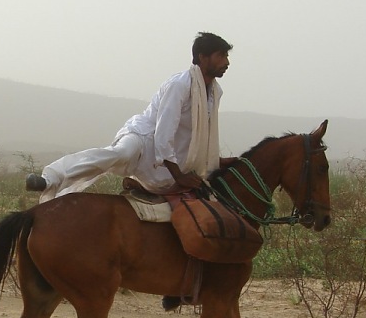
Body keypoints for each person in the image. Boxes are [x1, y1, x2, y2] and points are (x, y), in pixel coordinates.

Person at [26, 31, 233, 201]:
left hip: (171, 156)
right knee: (120, 154)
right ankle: (51, 178)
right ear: (202, 58)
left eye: (226, 56)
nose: (227, 62)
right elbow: (163, 133)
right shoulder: (180, 85)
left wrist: (217, 160)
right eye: (221, 56)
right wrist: (179, 175)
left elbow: (202, 139)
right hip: (144, 138)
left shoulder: (215, 93)